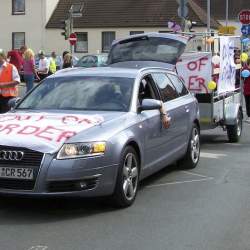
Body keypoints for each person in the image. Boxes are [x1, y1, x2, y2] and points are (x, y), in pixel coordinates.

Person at [0, 49, 20, 113]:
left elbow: (17, 81)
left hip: (8, 98)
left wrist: (3, 85)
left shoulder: (11, 67)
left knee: (5, 116)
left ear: (2, 56)